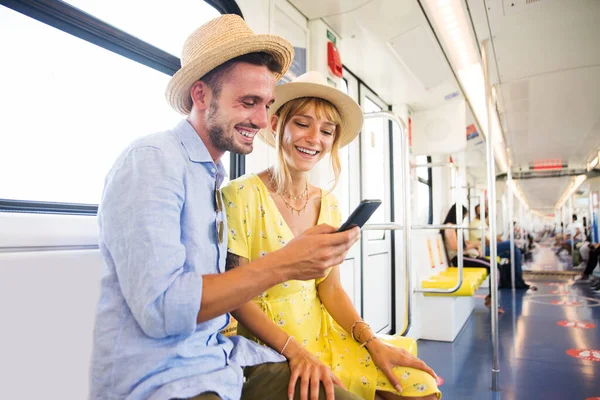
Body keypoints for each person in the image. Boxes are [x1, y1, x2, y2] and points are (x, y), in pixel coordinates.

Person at [90, 15, 362, 400]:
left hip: (222, 361)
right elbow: (163, 309)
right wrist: (286, 263)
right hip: (164, 381)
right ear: (200, 96)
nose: (262, 120)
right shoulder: (153, 161)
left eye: (267, 104)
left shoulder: (209, 176)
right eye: (248, 102)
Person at [221, 72, 441, 400]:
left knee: (421, 387)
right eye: (302, 124)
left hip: (324, 334)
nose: (314, 139)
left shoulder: (330, 204)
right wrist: (296, 352)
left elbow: (332, 289)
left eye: (326, 131)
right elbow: (236, 296)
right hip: (269, 343)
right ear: (276, 123)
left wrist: (372, 341)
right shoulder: (239, 195)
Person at [442, 204, 503, 313]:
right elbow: (455, 247)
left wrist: (473, 244)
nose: (463, 219)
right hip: (458, 259)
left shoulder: (455, 227)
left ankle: (491, 298)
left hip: (463, 256)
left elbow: (462, 243)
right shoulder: (450, 227)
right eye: (463, 216)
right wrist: (475, 244)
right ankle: (492, 300)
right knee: (494, 267)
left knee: (495, 265)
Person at [468, 205, 536, 290]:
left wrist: (499, 240)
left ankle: (519, 282)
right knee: (511, 244)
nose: (485, 212)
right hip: (484, 249)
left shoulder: (483, 223)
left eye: (486, 209)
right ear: (476, 212)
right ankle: (518, 281)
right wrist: (501, 243)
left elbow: (492, 237)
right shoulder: (475, 224)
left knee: (516, 253)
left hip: (490, 247)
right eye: (481, 210)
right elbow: (487, 242)